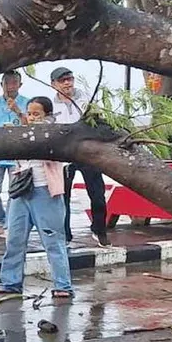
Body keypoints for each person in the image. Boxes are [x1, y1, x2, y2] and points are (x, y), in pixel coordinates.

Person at [0, 96, 74, 298]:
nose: (31, 118)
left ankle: (63, 285)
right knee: (14, 238)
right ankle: (10, 282)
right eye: (29, 114)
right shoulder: (23, 134)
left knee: (53, 240)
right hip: (21, 191)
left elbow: (51, 149)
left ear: (47, 115)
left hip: (45, 192)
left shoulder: (54, 134)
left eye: (36, 114)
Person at [48, 66, 111, 247]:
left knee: (97, 194)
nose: (67, 83)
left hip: (87, 153)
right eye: (62, 80)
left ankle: (99, 230)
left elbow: (98, 120)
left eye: (70, 79)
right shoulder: (51, 106)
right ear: (54, 85)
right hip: (64, 157)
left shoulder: (86, 98)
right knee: (63, 197)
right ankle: (65, 235)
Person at [0, 70, 30, 236]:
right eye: (7, 82)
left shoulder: (27, 103)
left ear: (20, 85)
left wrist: (17, 110)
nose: (10, 86)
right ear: (1, 84)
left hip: (18, 154)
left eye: (14, 82)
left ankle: (10, 224)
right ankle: (0, 221)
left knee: (14, 192)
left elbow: (31, 125)